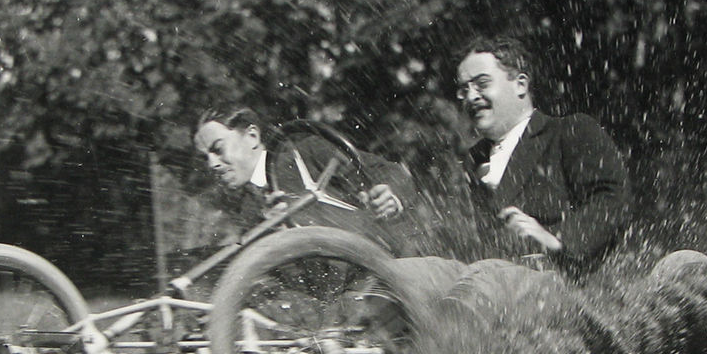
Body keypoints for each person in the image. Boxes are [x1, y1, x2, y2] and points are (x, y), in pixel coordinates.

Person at [454, 36, 633, 279]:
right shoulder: (472, 160)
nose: (471, 96)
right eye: (464, 90)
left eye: (482, 83)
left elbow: (613, 201)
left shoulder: (570, 131)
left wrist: (556, 239)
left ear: (520, 84)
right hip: (494, 292)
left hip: (571, 290)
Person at [192, 107, 418, 253]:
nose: (212, 164)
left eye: (218, 149)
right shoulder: (249, 213)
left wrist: (390, 196)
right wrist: (273, 233)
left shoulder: (306, 152)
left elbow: (389, 172)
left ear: (252, 136)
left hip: (390, 265)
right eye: (205, 158)